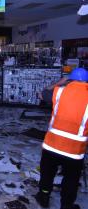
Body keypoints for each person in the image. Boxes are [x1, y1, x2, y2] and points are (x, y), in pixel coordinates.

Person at [35, 68, 88, 209]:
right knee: (71, 179)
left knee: (47, 174)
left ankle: (44, 197)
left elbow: (42, 94)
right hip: (74, 150)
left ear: (70, 79)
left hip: (52, 144)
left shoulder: (59, 91)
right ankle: (66, 205)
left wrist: (60, 82)